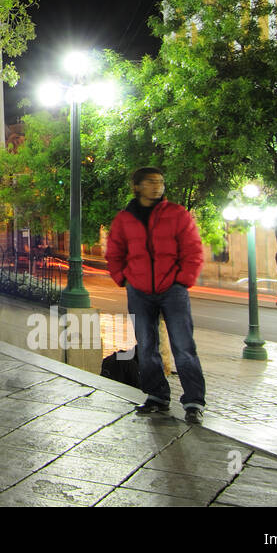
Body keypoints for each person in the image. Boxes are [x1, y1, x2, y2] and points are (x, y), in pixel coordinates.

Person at [105, 166, 207, 423]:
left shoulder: (176, 214)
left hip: (172, 289)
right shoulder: (124, 219)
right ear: (137, 186)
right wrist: (124, 279)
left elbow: (193, 249)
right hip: (139, 290)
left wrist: (182, 281)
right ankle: (157, 396)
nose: (157, 186)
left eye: (160, 182)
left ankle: (194, 401)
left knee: (184, 346)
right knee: (147, 346)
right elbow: (114, 252)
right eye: (151, 182)